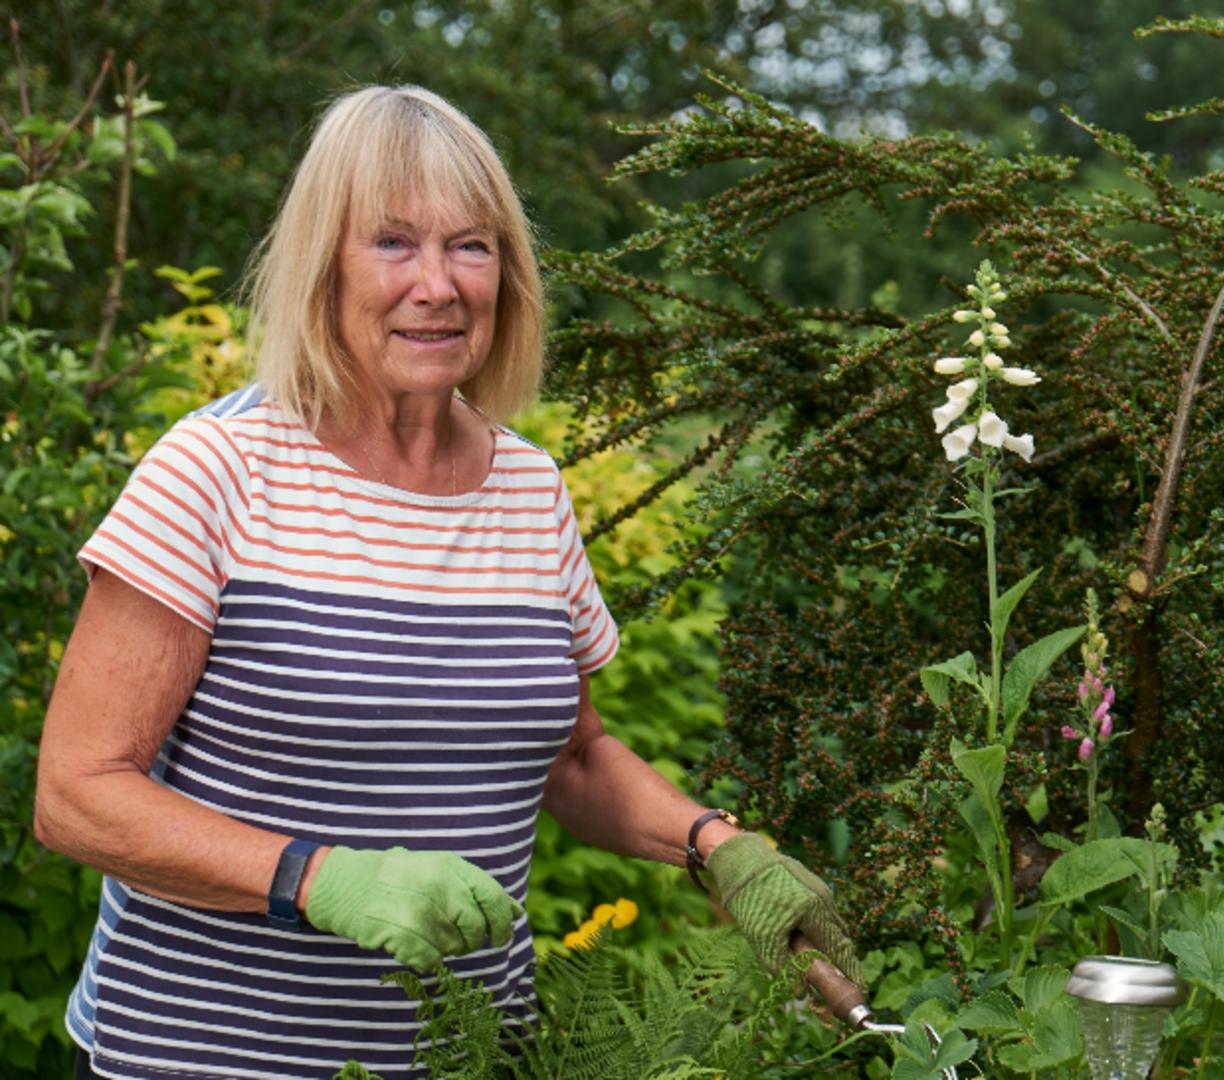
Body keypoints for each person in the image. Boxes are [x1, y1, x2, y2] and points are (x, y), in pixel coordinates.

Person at [33, 85, 860, 1080]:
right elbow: (77, 794)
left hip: (469, 1055)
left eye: (470, 246)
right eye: (392, 243)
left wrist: (718, 847)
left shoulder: (530, 489)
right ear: (322, 264)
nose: (438, 285)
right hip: (204, 1058)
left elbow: (572, 759)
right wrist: (317, 879)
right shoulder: (217, 470)